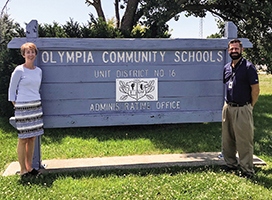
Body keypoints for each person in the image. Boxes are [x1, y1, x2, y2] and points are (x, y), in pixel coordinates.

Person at [222, 39, 260, 178]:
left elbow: (255, 90)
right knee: (228, 139)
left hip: (243, 108)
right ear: (228, 51)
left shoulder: (248, 67)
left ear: (241, 50)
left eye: (236, 49)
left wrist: (250, 106)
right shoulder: (226, 67)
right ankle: (231, 164)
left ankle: (247, 170)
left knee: (244, 141)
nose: (234, 51)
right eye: (231, 49)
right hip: (228, 107)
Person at [8, 42, 44, 178]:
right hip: (22, 107)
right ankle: (22, 169)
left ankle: (30, 167)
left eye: (32, 52)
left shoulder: (38, 71)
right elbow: (12, 91)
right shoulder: (19, 70)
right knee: (23, 138)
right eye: (28, 52)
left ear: (35, 54)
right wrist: (16, 105)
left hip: (36, 106)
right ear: (23, 55)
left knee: (32, 137)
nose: (30, 54)